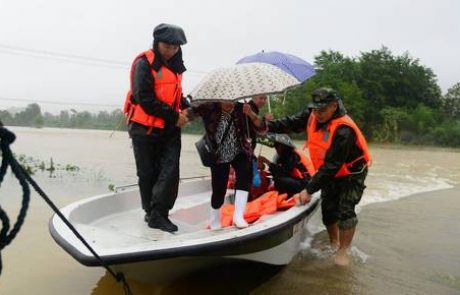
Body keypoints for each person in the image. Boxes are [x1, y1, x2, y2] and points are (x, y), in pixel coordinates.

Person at [266, 87, 371, 266]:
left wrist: (308, 190)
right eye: (314, 109)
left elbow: (332, 166)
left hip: (351, 173)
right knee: (328, 210)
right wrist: (264, 124)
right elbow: (290, 123)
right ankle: (333, 243)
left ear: (334, 106)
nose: (317, 113)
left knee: (345, 210)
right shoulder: (312, 113)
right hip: (328, 171)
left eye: (321, 110)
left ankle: (343, 251)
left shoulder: (344, 131)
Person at [123, 23, 189, 233]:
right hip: (144, 129)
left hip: (169, 130)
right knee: (147, 172)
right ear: (157, 42)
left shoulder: (176, 67)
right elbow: (145, 98)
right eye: (167, 46)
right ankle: (150, 212)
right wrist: (174, 116)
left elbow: (175, 96)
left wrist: (186, 108)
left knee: (169, 172)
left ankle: (159, 214)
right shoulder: (144, 63)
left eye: (175, 47)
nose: (171, 50)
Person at [186, 100, 266, 230]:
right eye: (226, 102)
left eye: (232, 101)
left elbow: (262, 128)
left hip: (240, 151)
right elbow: (188, 113)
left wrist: (251, 113)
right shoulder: (209, 107)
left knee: (245, 174)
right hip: (218, 155)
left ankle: (238, 216)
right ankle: (215, 220)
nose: (230, 104)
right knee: (219, 189)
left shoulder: (243, 108)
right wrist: (180, 117)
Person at [258, 133, 315, 198]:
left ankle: (286, 197)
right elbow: (275, 173)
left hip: (306, 183)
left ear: (284, 146)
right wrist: (262, 168)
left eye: (279, 146)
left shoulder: (293, 155)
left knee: (279, 181)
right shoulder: (279, 157)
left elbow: (284, 173)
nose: (276, 149)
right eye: (276, 146)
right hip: (296, 180)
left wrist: (267, 162)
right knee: (269, 178)